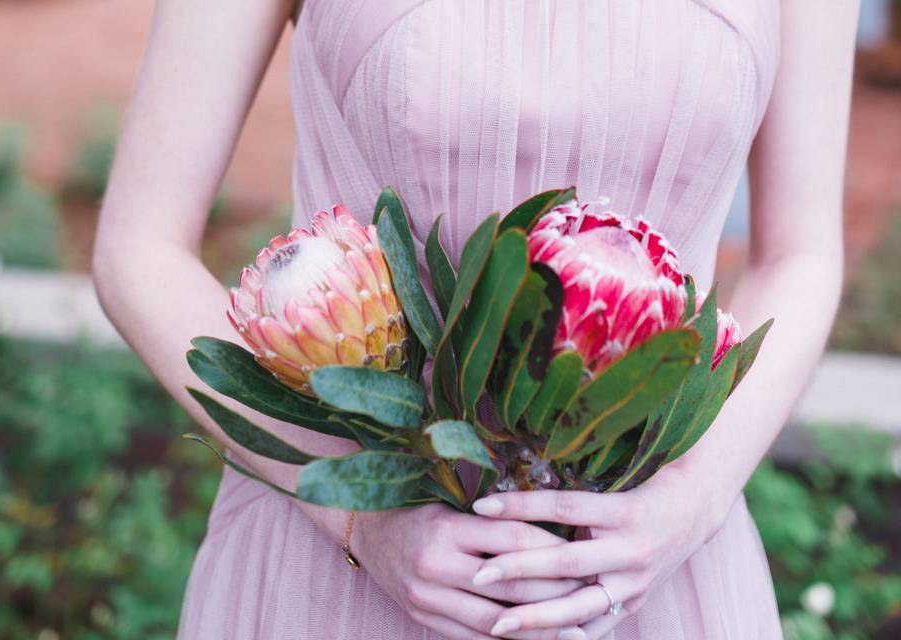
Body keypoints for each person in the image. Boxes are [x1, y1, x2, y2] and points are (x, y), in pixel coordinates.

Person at [93, 1, 859, 638]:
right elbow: (139, 246)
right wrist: (360, 514)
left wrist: (697, 495)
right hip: (339, 578)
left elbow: (799, 258)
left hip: (647, 577)